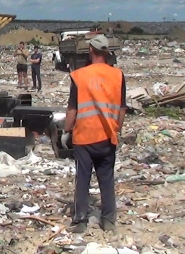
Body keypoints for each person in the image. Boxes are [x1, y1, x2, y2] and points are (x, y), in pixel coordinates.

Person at [64, 34, 126, 234]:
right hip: (108, 136)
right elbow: (122, 108)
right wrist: (116, 129)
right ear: (108, 52)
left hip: (84, 136)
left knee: (83, 179)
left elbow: (72, 108)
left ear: (90, 50)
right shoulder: (118, 75)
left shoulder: (79, 75)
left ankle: (80, 221)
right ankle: (108, 220)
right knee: (106, 179)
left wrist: (66, 130)